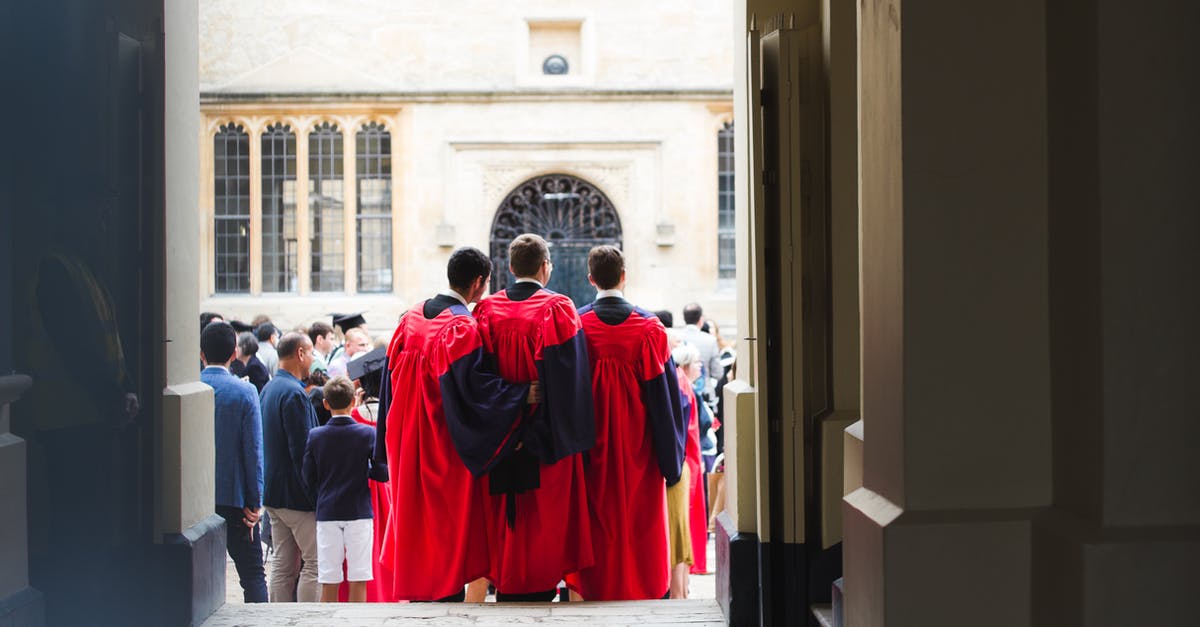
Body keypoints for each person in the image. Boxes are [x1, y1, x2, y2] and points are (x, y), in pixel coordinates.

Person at [376, 246, 541, 601]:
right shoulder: (461, 327)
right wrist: (521, 395)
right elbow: (477, 391)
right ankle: (441, 597)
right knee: (443, 525)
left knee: (413, 518)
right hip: (441, 441)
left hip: (405, 437)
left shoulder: (411, 318)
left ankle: (419, 592)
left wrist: (384, 446)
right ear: (479, 283)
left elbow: (387, 385)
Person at [472, 233, 596, 601]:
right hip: (546, 439)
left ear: (511, 268)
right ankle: (541, 589)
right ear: (545, 268)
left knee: (508, 519)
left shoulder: (486, 311)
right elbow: (570, 382)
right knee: (544, 520)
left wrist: (506, 424)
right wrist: (544, 432)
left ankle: (508, 585)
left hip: (501, 437)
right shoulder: (558, 308)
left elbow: (477, 379)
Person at [572, 245, 687, 600]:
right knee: (640, 525)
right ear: (624, 276)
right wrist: (671, 461)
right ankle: (642, 591)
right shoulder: (650, 329)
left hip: (590, 450)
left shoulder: (577, 325)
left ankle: (597, 592)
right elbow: (665, 400)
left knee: (596, 523)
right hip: (641, 449)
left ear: (591, 279)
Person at [200, 321, 267, 603]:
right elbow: (253, 450)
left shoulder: (193, 387)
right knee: (253, 576)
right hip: (235, 497)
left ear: (202, 353)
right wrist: (255, 502)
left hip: (195, 501)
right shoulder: (244, 392)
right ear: (234, 353)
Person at [302, 377, 384, 603]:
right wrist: (365, 468)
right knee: (359, 577)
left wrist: (319, 498)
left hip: (328, 510)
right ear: (353, 401)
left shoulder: (315, 436)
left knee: (329, 579)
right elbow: (382, 473)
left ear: (326, 403)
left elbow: (307, 478)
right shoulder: (367, 434)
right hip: (358, 511)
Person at [260, 332, 320, 602]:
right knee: (315, 564)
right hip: (296, 497)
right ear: (299, 354)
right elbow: (303, 453)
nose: (312, 359)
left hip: (274, 494)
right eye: (310, 353)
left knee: (283, 566)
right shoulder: (294, 394)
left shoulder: (270, 388)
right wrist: (315, 495)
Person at [673, 344, 708, 580]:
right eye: (697, 362)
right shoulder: (683, 385)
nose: (701, 366)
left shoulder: (683, 384)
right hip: (688, 457)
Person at [680, 303, 724, 400]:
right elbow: (718, 373)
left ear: (684, 319)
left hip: (681, 391)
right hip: (705, 393)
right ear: (701, 320)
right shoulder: (710, 340)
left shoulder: (677, 338)